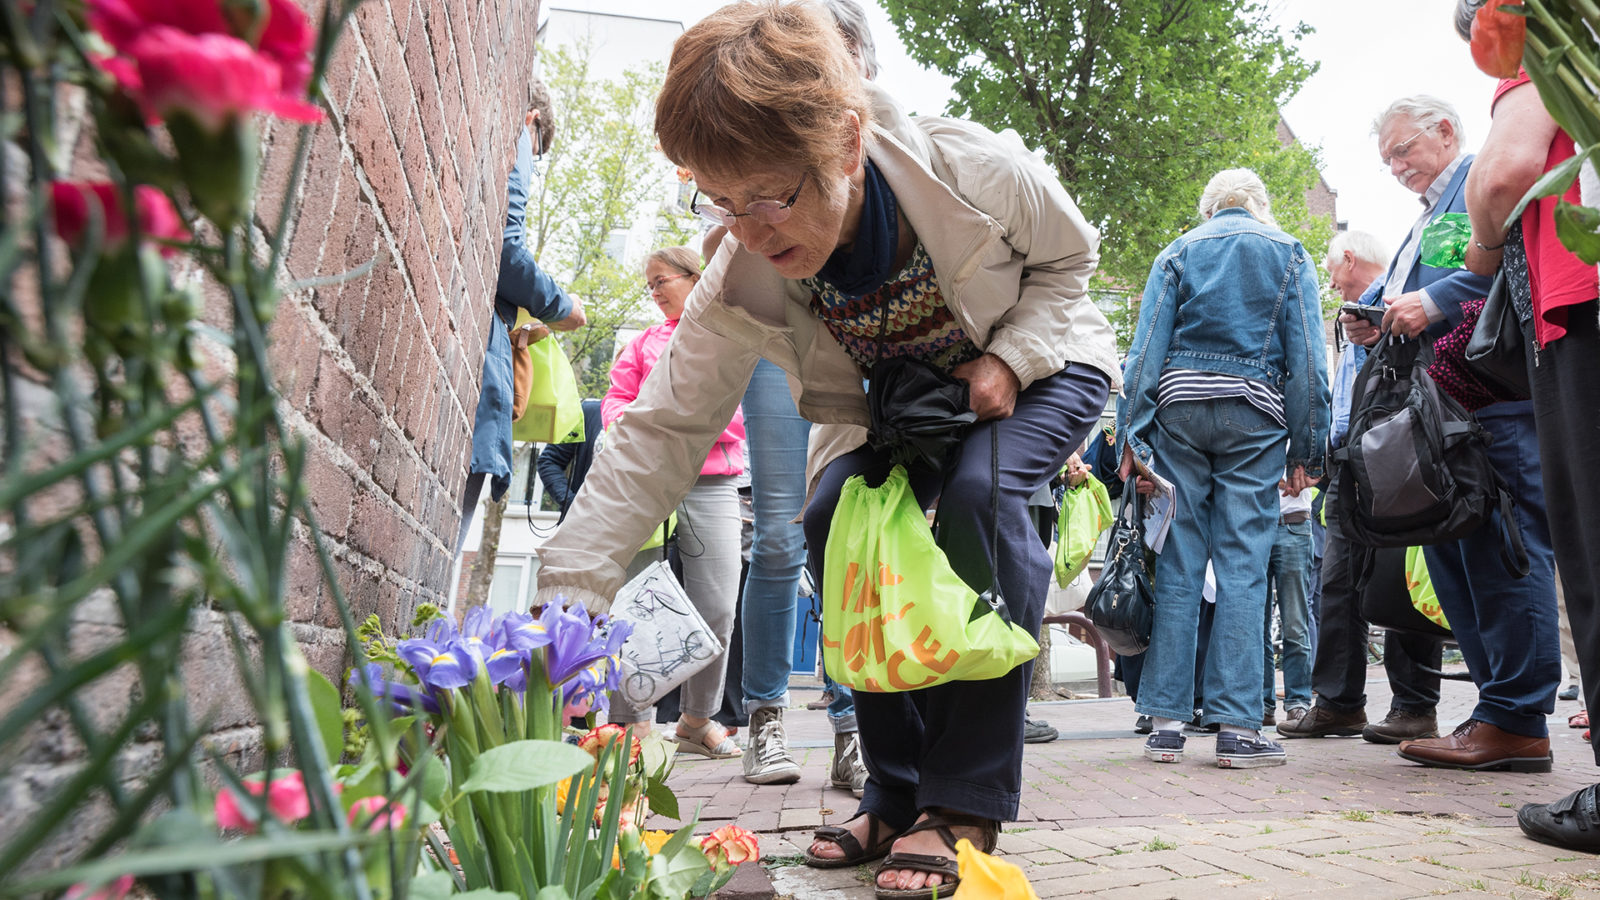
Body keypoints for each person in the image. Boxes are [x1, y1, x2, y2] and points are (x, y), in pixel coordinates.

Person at [532, 4, 1117, 896]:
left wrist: (1012, 358)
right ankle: (896, 786)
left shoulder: (968, 168)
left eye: (769, 195)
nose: (750, 231)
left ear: (847, 142)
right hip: (899, 406)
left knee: (977, 504)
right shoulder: (741, 269)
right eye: (721, 201)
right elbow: (662, 428)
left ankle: (966, 799)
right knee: (830, 524)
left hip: (1040, 366)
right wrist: (565, 601)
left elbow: (1070, 260)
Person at [697, 0, 879, 793]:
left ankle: (854, 724)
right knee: (777, 538)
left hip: (865, 352)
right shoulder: (743, 89)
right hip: (782, 350)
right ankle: (765, 717)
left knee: (846, 536)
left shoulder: (887, 145)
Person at [1350, 96, 1561, 775]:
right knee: (1459, 554)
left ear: (1444, 130)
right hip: (1450, 415)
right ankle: (1500, 711)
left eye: (1401, 150)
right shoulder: (1430, 214)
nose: (1394, 167)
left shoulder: (1476, 183)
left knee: (1506, 549)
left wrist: (1430, 302)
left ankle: (1517, 717)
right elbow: (1430, 281)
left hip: (1489, 404)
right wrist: (1374, 313)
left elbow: (1501, 266)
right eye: (1385, 160)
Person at [1117, 168, 1330, 770]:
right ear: (1260, 207)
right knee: (1243, 563)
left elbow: (1146, 348)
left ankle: (1164, 723)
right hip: (1253, 413)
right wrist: (1308, 450)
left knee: (1180, 562)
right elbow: (1309, 359)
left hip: (1180, 412)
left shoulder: (1179, 250)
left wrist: (1131, 431)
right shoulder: (1288, 252)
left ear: (1207, 209)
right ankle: (1238, 728)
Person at [1454, 2, 1600, 845]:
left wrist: (1480, 250)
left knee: (1589, 542)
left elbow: (1505, 172)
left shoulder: (1551, 35)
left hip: (1580, 301)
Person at [1278, 230, 1447, 746]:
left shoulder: (1402, 301)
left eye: (1333, 271)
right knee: (1337, 581)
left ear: (1350, 258)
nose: (1330, 284)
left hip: (1398, 451)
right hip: (1351, 457)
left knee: (1399, 576)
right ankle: (1338, 703)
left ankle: (1415, 705)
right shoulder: (1356, 317)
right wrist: (1321, 453)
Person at [601, 245, 748, 759]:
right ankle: (629, 723)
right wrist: (632, 423)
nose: (655, 292)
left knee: (717, 606)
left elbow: (732, 414)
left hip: (712, 482)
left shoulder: (726, 335)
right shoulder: (642, 344)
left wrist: (662, 418)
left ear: (694, 277)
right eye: (649, 285)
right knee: (636, 602)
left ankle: (696, 720)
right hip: (645, 481)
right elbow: (616, 401)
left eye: (661, 280)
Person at [466, 80, 586, 507]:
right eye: (534, 158)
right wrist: (561, 306)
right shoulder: (518, 131)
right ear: (532, 120)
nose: (527, 166)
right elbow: (507, 251)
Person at [1262, 476, 1314, 729]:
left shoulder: (1305, 435)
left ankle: (1298, 702)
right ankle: (1262, 703)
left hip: (1294, 525)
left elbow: (1315, 474)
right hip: (1256, 526)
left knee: (1295, 623)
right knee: (1255, 626)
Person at [536, 398, 602, 514]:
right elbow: (549, 461)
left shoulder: (644, 420)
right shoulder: (589, 411)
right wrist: (571, 502)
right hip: (586, 523)